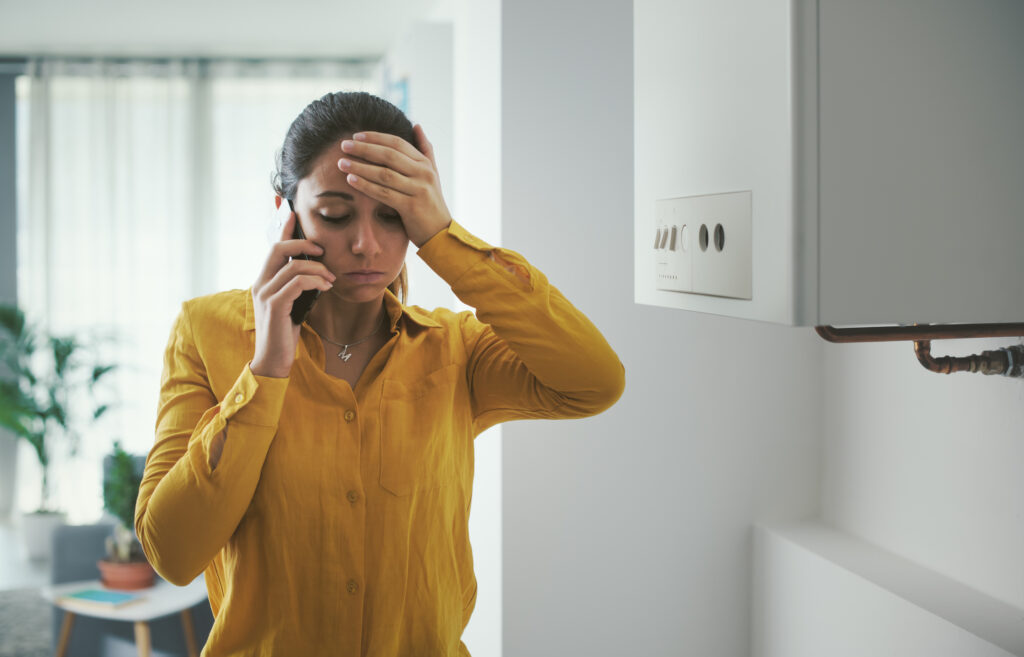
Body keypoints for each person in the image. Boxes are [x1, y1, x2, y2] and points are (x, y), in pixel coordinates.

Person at [135, 91, 625, 656]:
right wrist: (266, 371)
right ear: (286, 214)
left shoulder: (457, 350)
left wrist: (444, 236)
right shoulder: (204, 332)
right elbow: (171, 554)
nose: (366, 244)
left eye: (393, 216)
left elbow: (595, 382)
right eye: (336, 215)